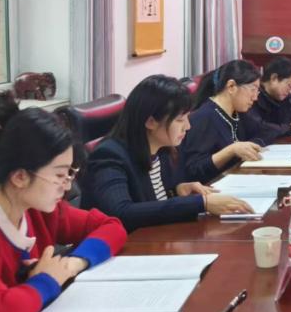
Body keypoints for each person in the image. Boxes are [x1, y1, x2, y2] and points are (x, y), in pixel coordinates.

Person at [0, 94, 126, 312]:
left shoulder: (34, 206)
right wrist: (47, 281)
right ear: (20, 176)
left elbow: (110, 226)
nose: (67, 186)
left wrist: (72, 264)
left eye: (70, 174)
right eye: (59, 175)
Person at [84, 75, 254, 231]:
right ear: (151, 122)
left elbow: (151, 202)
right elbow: (121, 212)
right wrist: (201, 203)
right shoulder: (109, 155)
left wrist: (177, 191)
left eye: (187, 118)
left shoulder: (162, 149)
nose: (187, 126)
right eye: (180, 120)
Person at [182, 60, 269, 183]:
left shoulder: (236, 112)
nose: (255, 97)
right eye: (253, 89)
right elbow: (194, 170)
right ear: (231, 86)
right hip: (211, 188)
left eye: (257, 91)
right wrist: (231, 150)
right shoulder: (203, 117)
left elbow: (262, 131)